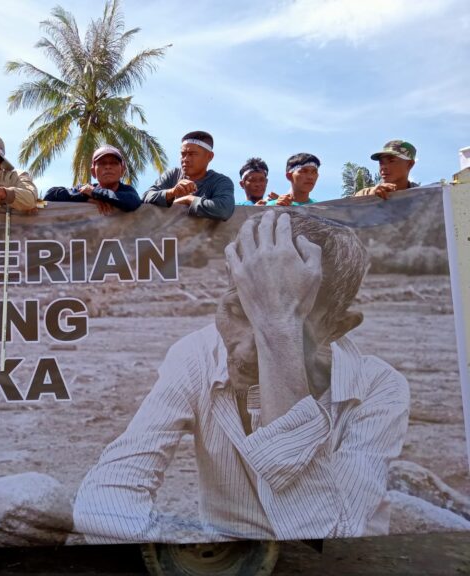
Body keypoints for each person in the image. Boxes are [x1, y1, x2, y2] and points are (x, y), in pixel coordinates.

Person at [73, 210, 409, 543]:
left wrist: (278, 331)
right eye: (238, 310)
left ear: (337, 328)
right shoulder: (197, 355)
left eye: (296, 326)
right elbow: (106, 495)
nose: (248, 352)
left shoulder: (379, 389)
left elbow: (328, 545)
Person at [143, 131, 234, 220]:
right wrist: (172, 192)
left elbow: (224, 210)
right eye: (183, 154)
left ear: (209, 156)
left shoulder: (220, 181)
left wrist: (189, 199)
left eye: (192, 154)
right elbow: (146, 197)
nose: (185, 159)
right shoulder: (173, 175)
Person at [43, 145, 141, 213]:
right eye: (102, 163)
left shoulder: (128, 191)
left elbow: (132, 203)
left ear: (122, 171)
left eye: (114, 163)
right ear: (93, 172)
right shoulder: (84, 190)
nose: (108, 167)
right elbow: (50, 195)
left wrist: (95, 193)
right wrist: (86, 198)